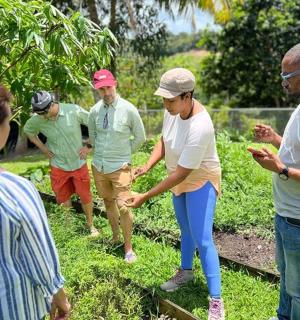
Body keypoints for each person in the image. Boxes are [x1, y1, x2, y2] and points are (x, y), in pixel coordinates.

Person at [126, 68, 225, 320]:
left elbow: (182, 174)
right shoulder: (173, 110)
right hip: (178, 176)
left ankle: (216, 300)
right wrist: (147, 166)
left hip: (199, 178)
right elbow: (163, 140)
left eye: (170, 100)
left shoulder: (201, 125)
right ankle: (186, 272)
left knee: (202, 239)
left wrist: (144, 196)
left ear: (187, 95)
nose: (165, 104)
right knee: (185, 230)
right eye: (164, 99)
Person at [0, 85, 70, 320]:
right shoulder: (15, 190)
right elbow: (39, 256)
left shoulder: (72, 112)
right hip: (14, 308)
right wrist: (60, 297)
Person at [250, 43, 300, 320]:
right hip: (285, 214)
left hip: (298, 220)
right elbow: (296, 153)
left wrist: (280, 169)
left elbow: (288, 165)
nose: (283, 82)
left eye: (287, 76)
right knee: (286, 277)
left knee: (299, 288)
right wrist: (275, 139)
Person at [88, 69, 146, 263]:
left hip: (120, 166)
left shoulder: (129, 109)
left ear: (116, 84)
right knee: (108, 202)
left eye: (108, 87)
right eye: (101, 89)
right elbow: (93, 137)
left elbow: (140, 137)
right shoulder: (94, 111)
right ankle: (115, 237)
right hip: (99, 166)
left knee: (124, 206)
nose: (106, 92)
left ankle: (128, 248)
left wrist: (125, 154)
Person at [24, 91, 99, 237]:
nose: (43, 117)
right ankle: (69, 229)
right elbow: (29, 131)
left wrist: (89, 146)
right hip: (58, 165)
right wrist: (43, 148)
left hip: (78, 162)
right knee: (63, 197)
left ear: (52, 104)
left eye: (44, 113)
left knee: (85, 196)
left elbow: (93, 123)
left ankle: (91, 225)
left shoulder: (73, 110)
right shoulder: (38, 118)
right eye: (39, 114)